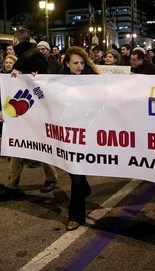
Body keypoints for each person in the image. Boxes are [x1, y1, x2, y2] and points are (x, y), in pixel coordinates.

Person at [0, 28, 58, 201]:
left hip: (34, 110)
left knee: (39, 146)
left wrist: (31, 76)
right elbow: (16, 86)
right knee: (18, 146)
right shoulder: (26, 56)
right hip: (23, 110)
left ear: (15, 40)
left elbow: (44, 81)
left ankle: (51, 177)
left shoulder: (32, 55)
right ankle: (11, 185)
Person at [61, 46, 100, 231]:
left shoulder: (92, 82)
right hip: (65, 133)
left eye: (82, 63)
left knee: (77, 172)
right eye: (75, 63)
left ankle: (75, 215)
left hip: (85, 132)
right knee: (73, 171)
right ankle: (84, 189)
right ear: (67, 64)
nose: (79, 66)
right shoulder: (56, 81)